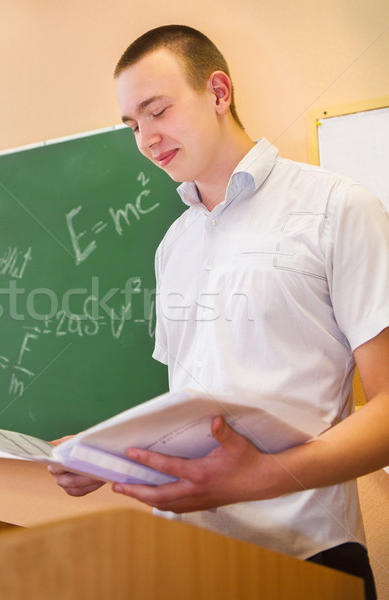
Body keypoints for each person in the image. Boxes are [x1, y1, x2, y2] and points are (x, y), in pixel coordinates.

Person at [49, 25, 389, 598]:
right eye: (132, 125)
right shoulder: (172, 245)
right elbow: (190, 402)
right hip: (184, 559)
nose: (146, 140)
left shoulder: (338, 208)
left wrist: (260, 478)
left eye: (157, 111)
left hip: (305, 558)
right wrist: (105, 450)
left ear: (219, 92)